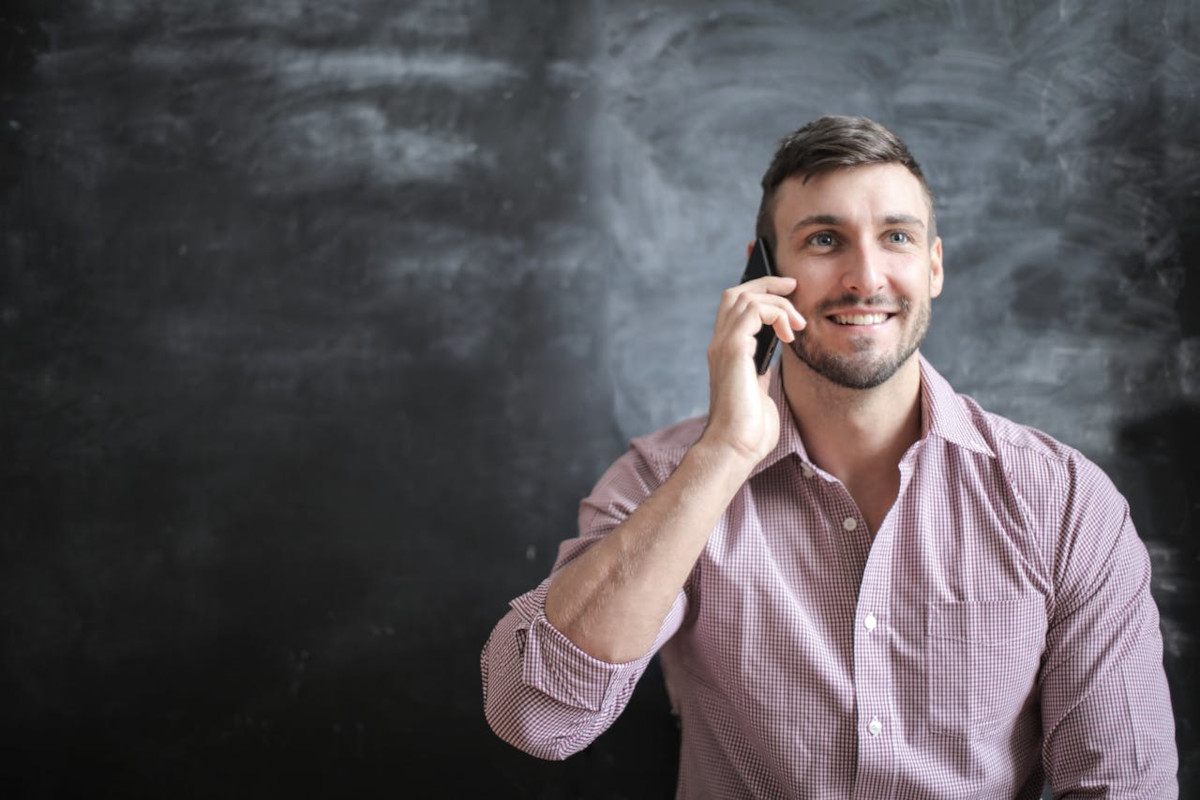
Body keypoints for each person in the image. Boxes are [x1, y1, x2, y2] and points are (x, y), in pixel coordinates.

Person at [480, 115, 1178, 798]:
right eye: (823, 240)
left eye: (897, 237)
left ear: (933, 266)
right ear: (763, 270)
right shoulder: (666, 480)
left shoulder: (1062, 501)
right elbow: (540, 720)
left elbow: (1122, 786)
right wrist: (724, 453)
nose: (864, 277)